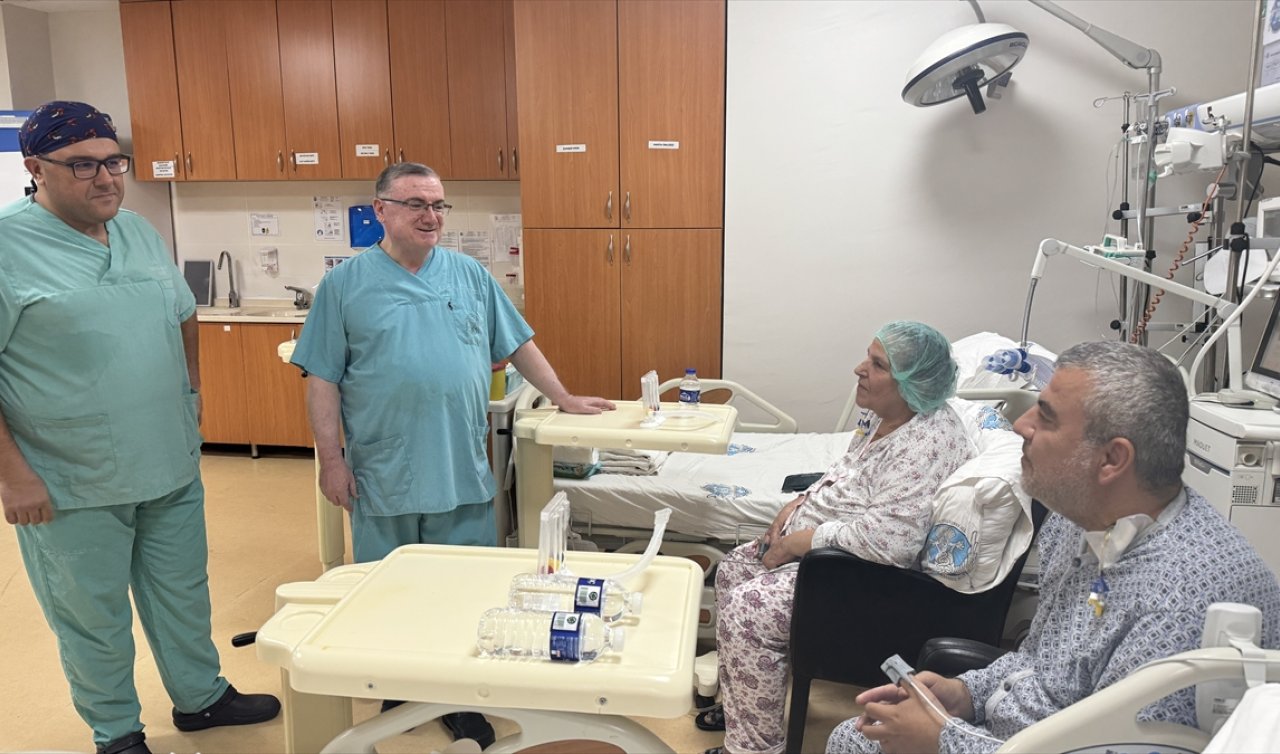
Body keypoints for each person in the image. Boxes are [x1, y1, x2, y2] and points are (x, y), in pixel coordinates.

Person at [290, 161, 614, 746]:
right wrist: (331, 460)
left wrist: (563, 396)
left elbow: (517, 343)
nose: (430, 216)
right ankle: (396, 684)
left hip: (459, 462)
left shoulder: (468, 275)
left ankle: (461, 696)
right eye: (416, 203)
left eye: (438, 204)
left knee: (465, 587)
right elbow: (322, 378)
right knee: (388, 586)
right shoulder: (344, 286)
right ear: (381, 210)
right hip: (384, 466)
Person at [826, 341, 1280, 754]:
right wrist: (966, 694)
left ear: (1112, 459)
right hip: (1025, 729)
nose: (1021, 425)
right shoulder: (1077, 519)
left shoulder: (1181, 605)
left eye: (1045, 415)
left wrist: (945, 742)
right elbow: (1042, 665)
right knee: (854, 737)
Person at [0, 102, 279, 754]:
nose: (106, 179)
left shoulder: (136, 231)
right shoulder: (8, 248)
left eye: (113, 162)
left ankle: (201, 697)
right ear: (36, 167)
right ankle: (117, 732)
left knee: (183, 592)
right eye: (83, 165)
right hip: (69, 478)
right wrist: (12, 477)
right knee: (91, 615)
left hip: (167, 461)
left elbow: (182, 311)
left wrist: (191, 390)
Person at [699, 321, 975, 754]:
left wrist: (800, 541)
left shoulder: (925, 445)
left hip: (860, 577)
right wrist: (794, 507)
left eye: (877, 365)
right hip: (828, 550)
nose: (859, 369)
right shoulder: (883, 416)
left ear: (912, 384)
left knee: (746, 610)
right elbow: (844, 476)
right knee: (734, 569)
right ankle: (746, 712)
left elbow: (891, 542)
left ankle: (753, 750)